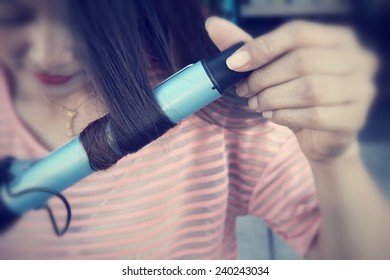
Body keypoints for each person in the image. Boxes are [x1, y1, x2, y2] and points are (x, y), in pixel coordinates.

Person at [0, 0, 388, 259]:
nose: (48, 54)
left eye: (79, 20)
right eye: (12, 15)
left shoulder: (227, 126)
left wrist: (337, 162)